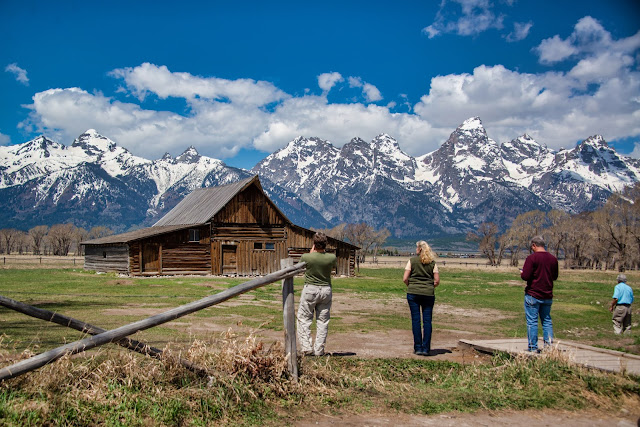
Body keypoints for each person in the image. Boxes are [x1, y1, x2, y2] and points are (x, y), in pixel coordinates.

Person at [297, 232, 337, 356]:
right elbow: (333, 268)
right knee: (322, 321)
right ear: (326, 244)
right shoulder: (331, 257)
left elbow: (300, 268)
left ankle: (306, 347)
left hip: (310, 289)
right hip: (325, 289)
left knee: (304, 318)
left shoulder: (306, 257)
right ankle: (319, 350)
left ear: (314, 244)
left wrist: (310, 254)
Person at [520, 236, 558, 353]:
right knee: (546, 321)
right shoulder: (553, 259)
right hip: (547, 294)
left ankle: (533, 347)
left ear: (534, 245)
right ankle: (550, 347)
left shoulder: (532, 258)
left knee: (532, 321)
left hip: (533, 294)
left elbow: (526, 276)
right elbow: (555, 276)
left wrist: (522, 273)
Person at [403, 240, 440, 356]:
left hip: (413, 293)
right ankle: (426, 348)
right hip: (428, 294)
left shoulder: (412, 261)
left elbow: (405, 278)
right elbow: (437, 280)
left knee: (416, 320)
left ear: (419, 249)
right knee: (427, 321)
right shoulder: (432, 263)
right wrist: (429, 286)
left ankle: (418, 347)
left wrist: (412, 285)